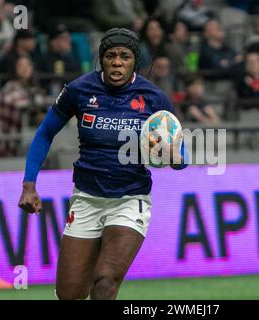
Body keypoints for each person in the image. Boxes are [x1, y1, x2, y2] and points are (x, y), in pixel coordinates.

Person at [18, 28, 187, 300]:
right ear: (101, 59)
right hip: (86, 200)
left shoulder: (155, 98)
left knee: (105, 283)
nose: (117, 62)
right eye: (111, 55)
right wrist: (29, 184)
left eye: (125, 56)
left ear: (135, 61)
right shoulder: (79, 90)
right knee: (69, 294)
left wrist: (173, 156)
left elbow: (181, 158)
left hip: (130, 200)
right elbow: (45, 133)